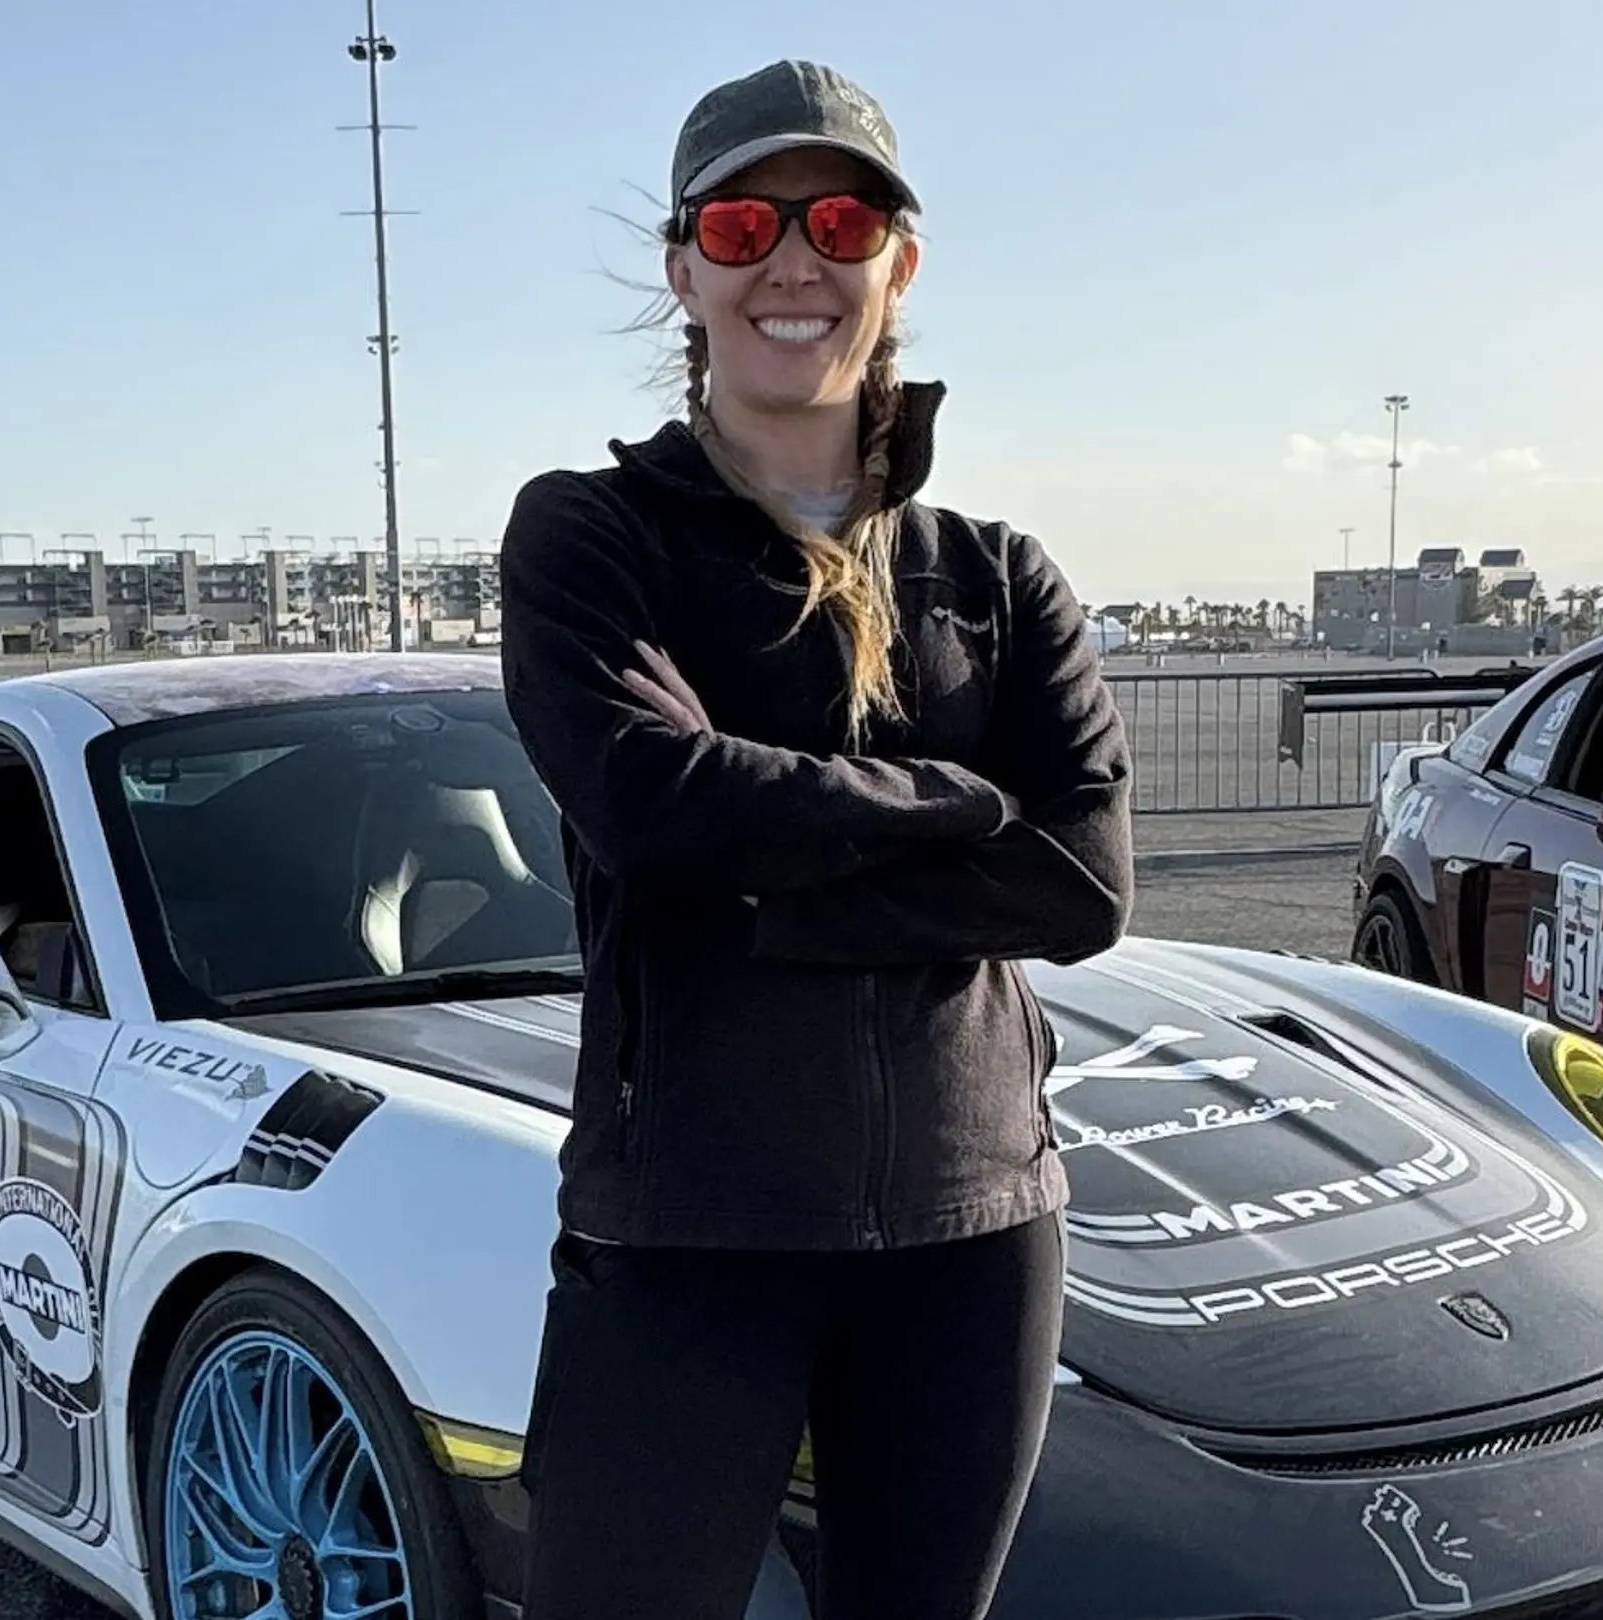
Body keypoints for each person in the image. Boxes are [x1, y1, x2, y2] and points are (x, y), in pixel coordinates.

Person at [495, 58, 1136, 1620]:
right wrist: (951, 805)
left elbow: (1080, 885)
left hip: (974, 1229)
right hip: (690, 1228)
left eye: (839, 218)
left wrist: (761, 858)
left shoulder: (997, 575)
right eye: (741, 222)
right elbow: (647, 809)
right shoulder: (590, 537)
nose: (793, 258)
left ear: (896, 265)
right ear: (683, 271)